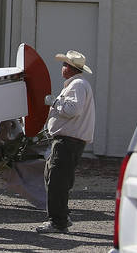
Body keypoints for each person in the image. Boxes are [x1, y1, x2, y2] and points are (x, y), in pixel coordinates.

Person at [36, 49, 94, 233]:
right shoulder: (79, 84)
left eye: (64, 64)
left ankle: (58, 221)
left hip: (67, 142)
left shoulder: (76, 85)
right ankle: (61, 216)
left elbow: (72, 110)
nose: (62, 67)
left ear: (69, 68)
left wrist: (53, 102)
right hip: (70, 141)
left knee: (56, 181)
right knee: (58, 179)